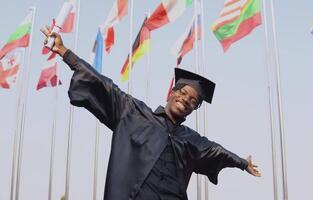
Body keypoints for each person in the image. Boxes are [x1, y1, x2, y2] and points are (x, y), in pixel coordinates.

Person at [41, 26, 261, 200]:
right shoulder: (133, 113)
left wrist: (242, 163)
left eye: (193, 101)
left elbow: (216, 151)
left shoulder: (192, 140)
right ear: (172, 92)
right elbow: (104, 85)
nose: (186, 99)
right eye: (183, 93)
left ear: (194, 108)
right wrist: (64, 52)